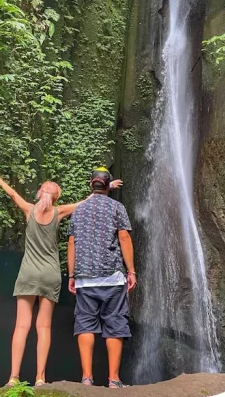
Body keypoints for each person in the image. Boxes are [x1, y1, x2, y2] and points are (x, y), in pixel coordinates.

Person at [0, 171, 121, 387]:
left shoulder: (29, 210)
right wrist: (109, 186)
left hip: (28, 273)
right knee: (44, 328)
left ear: (40, 193)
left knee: (21, 326)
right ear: (57, 197)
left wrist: (0, 180)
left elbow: (13, 194)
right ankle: (40, 377)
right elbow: (84, 202)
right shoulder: (59, 212)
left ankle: (13, 378)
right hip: (50, 274)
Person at [67, 167, 135, 389]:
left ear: (90, 186)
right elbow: (124, 237)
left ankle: (86, 378)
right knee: (115, 323)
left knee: (85, 324)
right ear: (108, 186)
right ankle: (113, 380)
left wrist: (71, 275)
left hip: (85, 278)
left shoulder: (78, 210)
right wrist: (131, 271)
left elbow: (71, 243)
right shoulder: (117, 207)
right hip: (112, 277)